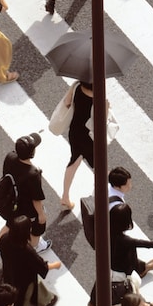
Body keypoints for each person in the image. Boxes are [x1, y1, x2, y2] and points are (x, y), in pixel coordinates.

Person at [53, 80, 98, 214]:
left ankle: (65, 196)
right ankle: (100, 196)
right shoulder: (98, 96)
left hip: (75, 130)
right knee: (99, 166)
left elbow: (67, 103)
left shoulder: (77, 86)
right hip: (90, 135)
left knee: (74, 161)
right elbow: (101, 118)